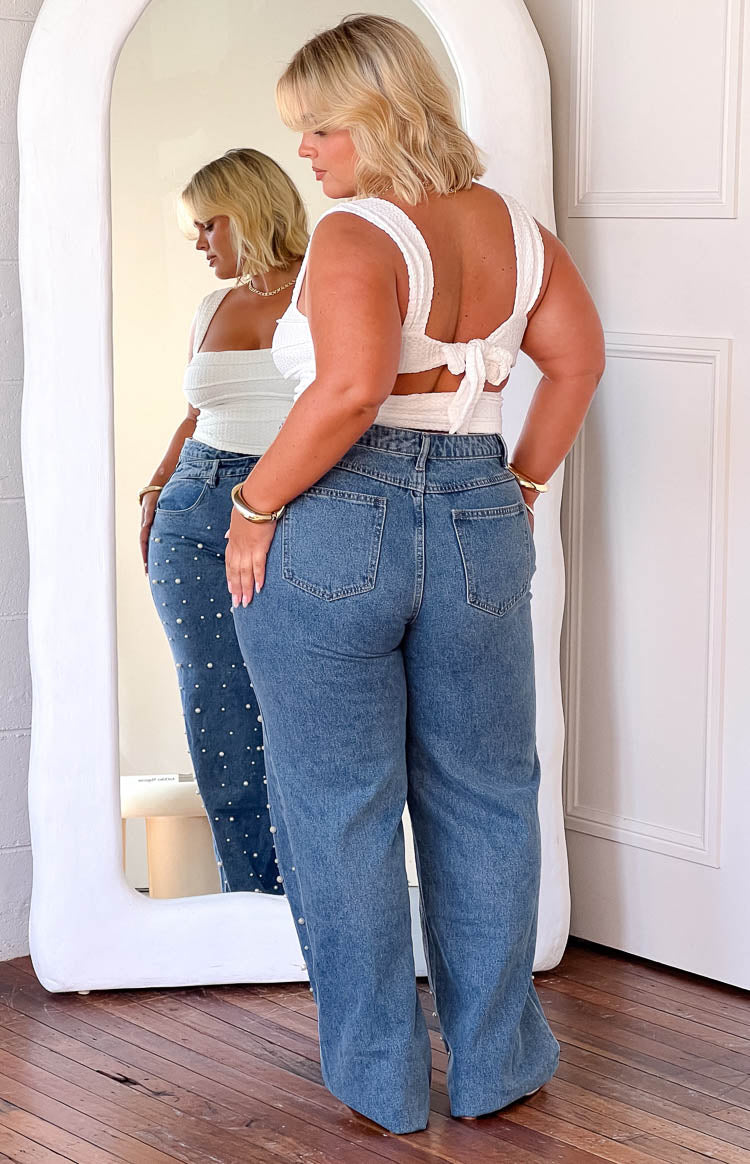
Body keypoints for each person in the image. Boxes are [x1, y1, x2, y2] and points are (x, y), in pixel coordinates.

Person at [225, 15, 605, 1133]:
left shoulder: (355, 233)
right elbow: (576, 359)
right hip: (482, 507)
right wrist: (521, 487)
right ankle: (493, 1066)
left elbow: (346, 395)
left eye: (323, 129)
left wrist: (253, 507)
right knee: (488, 796)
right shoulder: (517, 233)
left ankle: (382, 1082)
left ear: (385, 114)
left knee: (341, 807)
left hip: (340, 518)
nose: (310, 155)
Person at [139, 148, 307, 894]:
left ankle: (317, 899)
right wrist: (154, 486)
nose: (201, 243)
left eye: (210, 224)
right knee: (215, 704)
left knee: (302, 703)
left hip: (296, 507)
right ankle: (253, 899)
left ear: (253, 208)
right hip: (193, 503)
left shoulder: (329, 288)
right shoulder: (213, 306)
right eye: (195, 231)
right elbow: (195, 414)